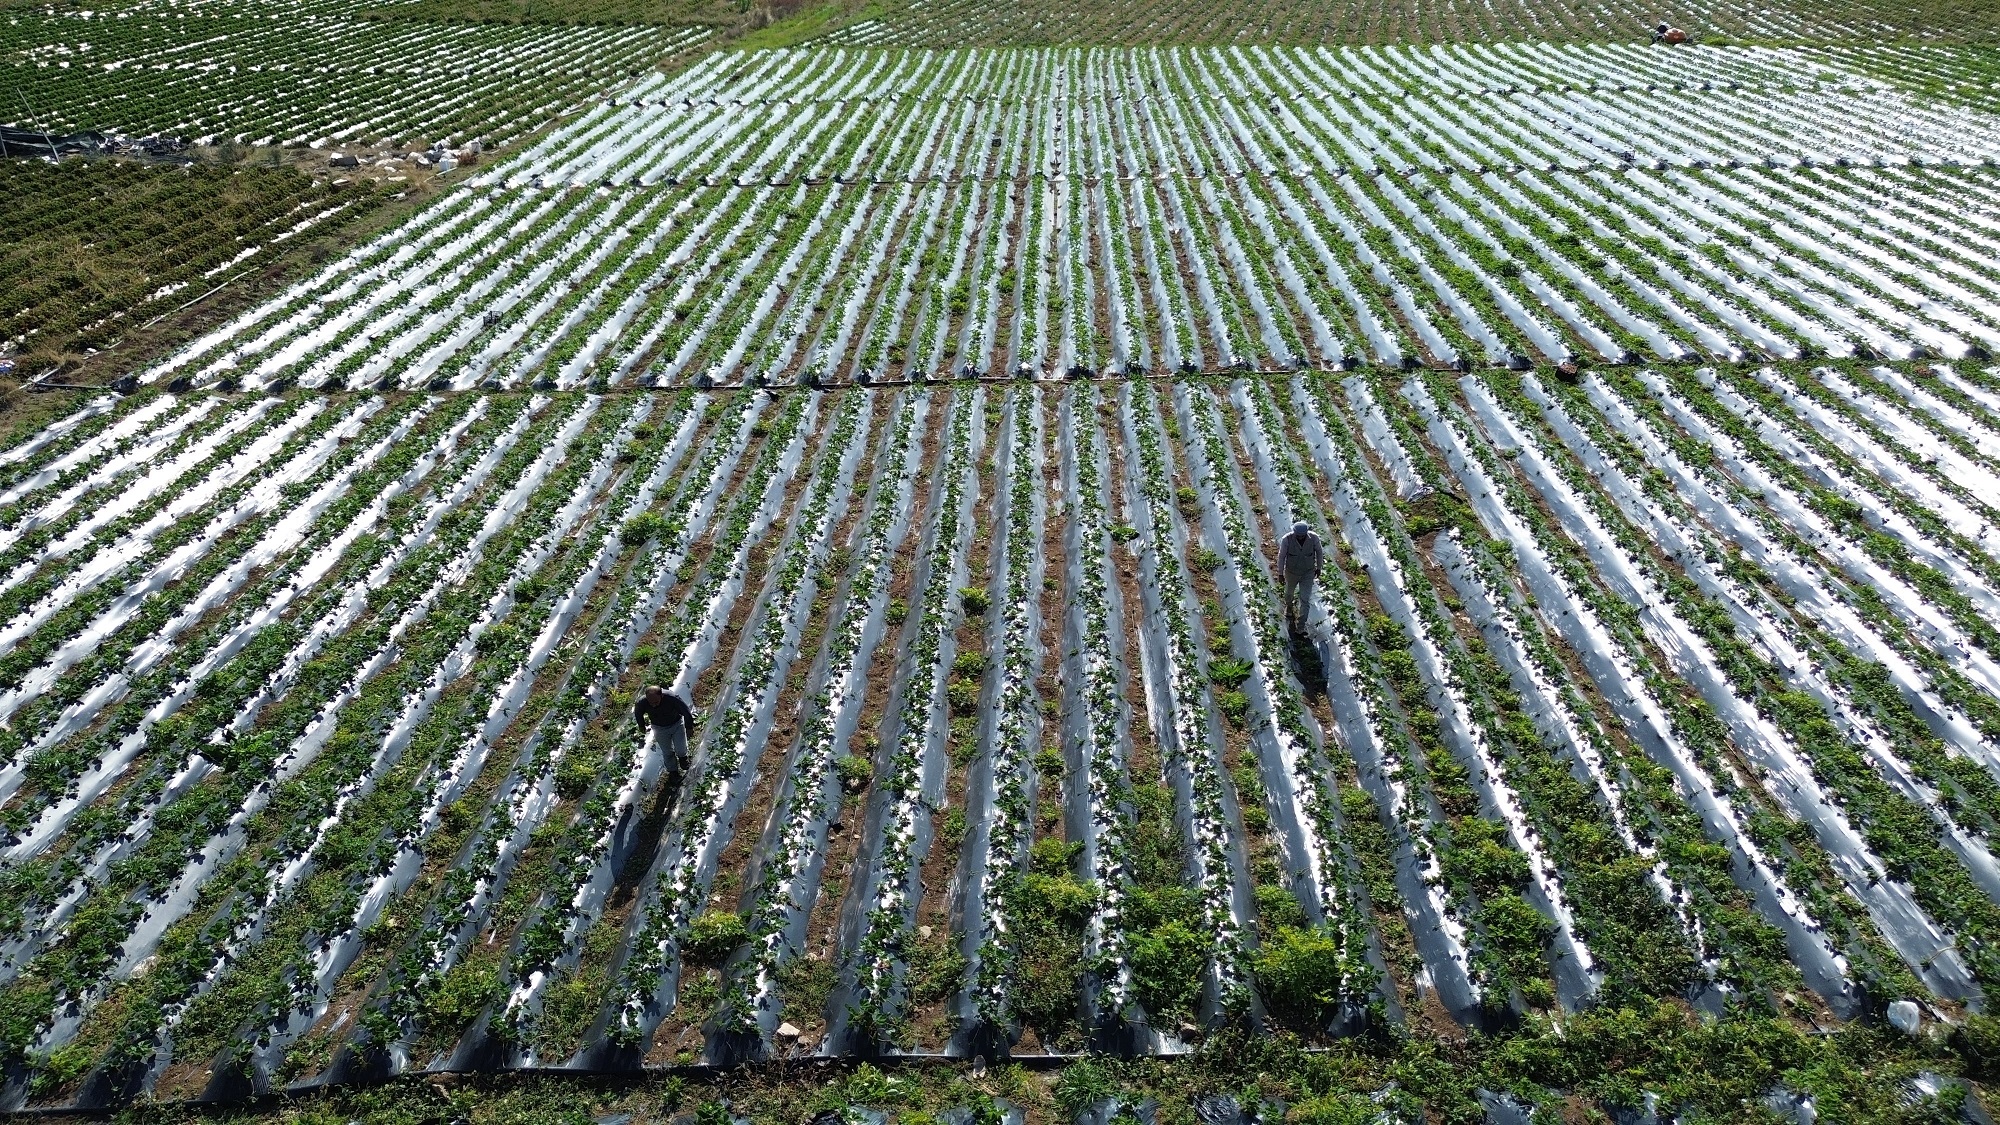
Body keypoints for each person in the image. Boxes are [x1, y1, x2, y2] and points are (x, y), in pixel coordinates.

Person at [634, 684, 696, 784]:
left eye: (656, 702)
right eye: (651, 703)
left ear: (661, 695)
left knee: (681, 747)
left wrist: (689, 727)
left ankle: (683, 759)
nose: (654, 705)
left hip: (676, 724)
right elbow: (638, 713)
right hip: (659, 728)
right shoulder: (643, 702)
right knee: (667, 751)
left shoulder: (671, 698)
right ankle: (673, 772)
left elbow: (686, 711)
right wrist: (641, 725)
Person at [1277, 521, 1323, 632]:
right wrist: (1280, 573)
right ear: (1294, 533)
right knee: (1288, 593)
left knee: (1305, 599)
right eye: (1299, 535)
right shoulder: (1287, 539)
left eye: (1303, 535)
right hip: (1291, 572)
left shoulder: (1314, 538)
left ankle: (1301, 626)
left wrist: (1319, 567)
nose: (1301, 537)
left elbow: (1319, 552)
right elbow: (1281, 556)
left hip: (1308, 572)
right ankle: (1289, 606)